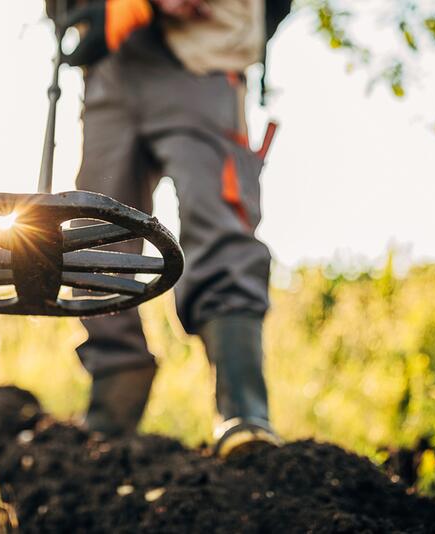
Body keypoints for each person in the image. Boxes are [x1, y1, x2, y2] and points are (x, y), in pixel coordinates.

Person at [50, 0, 291, 457]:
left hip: (202, 54)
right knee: (93, 234)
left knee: (218, 220)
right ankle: (110, 414)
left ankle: (244, 413)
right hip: (110, 65)